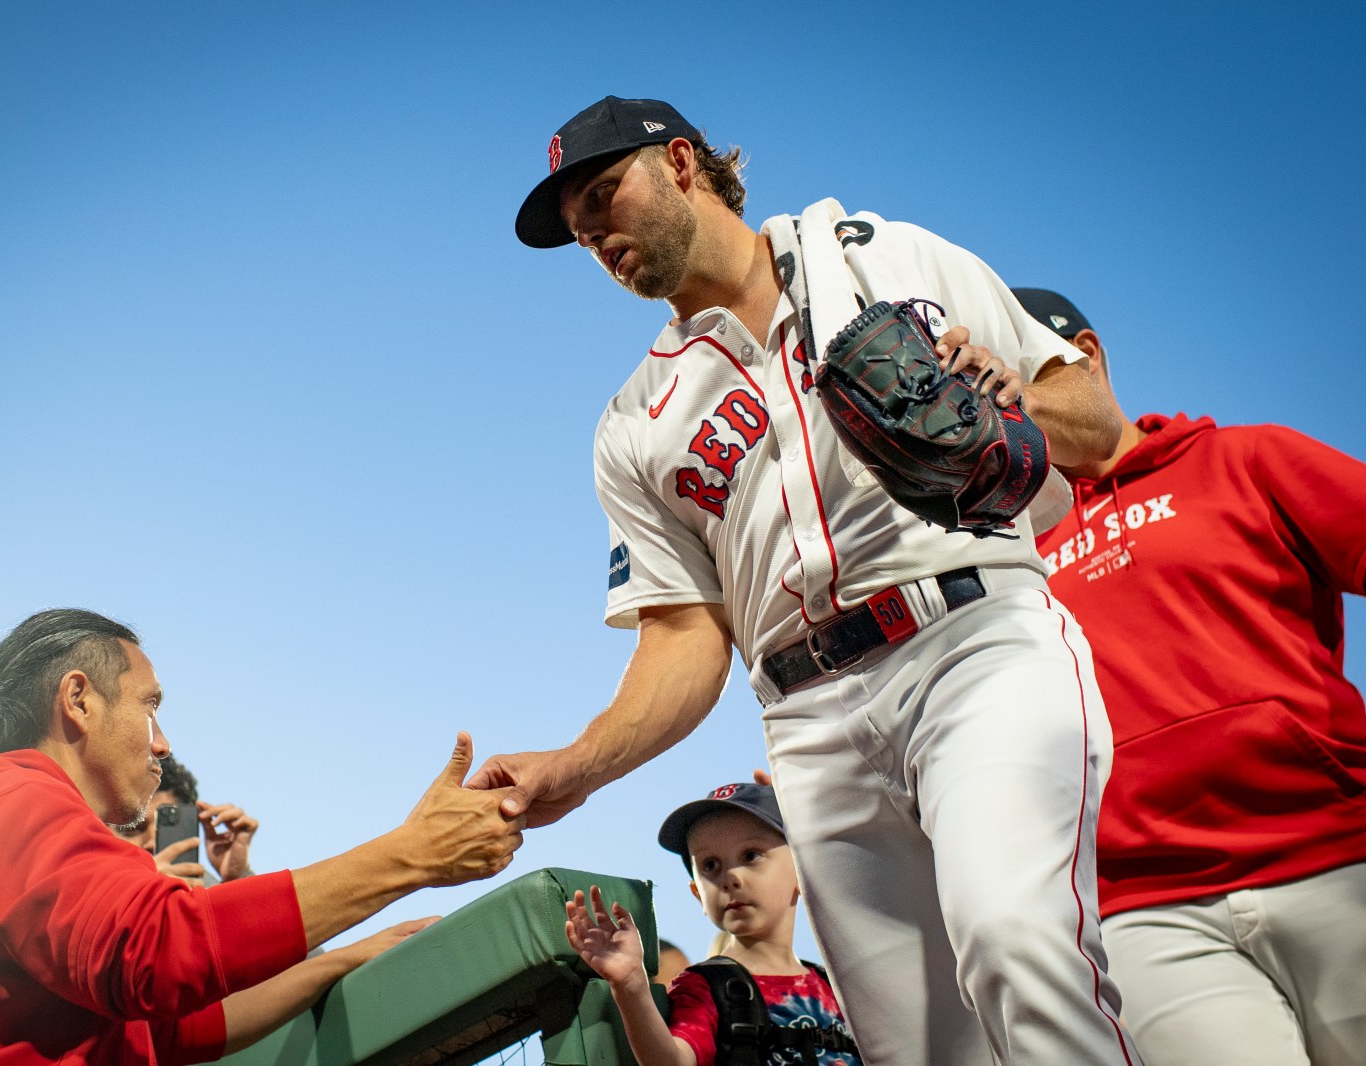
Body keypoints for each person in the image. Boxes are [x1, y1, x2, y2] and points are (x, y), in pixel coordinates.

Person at [470, 96, 1140, 1065]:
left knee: (1017, 943)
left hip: (969, 641)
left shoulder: (882, 255)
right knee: (917, 1049)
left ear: (682, 163)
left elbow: (1093, 420)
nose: (593, 235)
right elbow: (687, 641)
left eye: (603, 195)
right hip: (808, 719)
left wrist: (1008, 399)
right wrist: (573, 767)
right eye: (577, 230)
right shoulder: (633, 423)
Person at [0, 608, 524, 1065]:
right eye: (149, 706)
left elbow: (172, 1032)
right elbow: (154, 951)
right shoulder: (8, 795)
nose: (162, 742)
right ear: (79, 699)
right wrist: (411, 855)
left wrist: (337, 961)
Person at [1017, 287, 1366, 1065]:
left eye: (1021, 369)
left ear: (1086, 355)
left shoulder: (1248, 459)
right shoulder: (1010, 555)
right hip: (1144, 907)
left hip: (1336, 850)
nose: (1010, 400)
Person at [567, 783, 860, 1065]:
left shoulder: (838, 986)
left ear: (803, 871)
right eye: (710, 865)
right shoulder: (706, 986)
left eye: (750, 855)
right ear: (697, 894)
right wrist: (631, 985)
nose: (730, 878)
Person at [113, 754, 259, 886]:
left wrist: (238, 879)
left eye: (167, 828)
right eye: (132, 828)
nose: (152, 842)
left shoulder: (204, 890)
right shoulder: (101, 894)